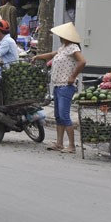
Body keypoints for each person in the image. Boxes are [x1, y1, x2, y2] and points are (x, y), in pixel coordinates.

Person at [33, 22, 86, 154]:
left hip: (66, 86)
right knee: (58, 116)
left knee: (64, 115)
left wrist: (73, 76)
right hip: (57, 85)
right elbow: (51, 55)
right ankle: (59, 143)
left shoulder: (73, 48)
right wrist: (38, 56)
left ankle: (72, 145)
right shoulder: (63, 47)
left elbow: (82, 62)